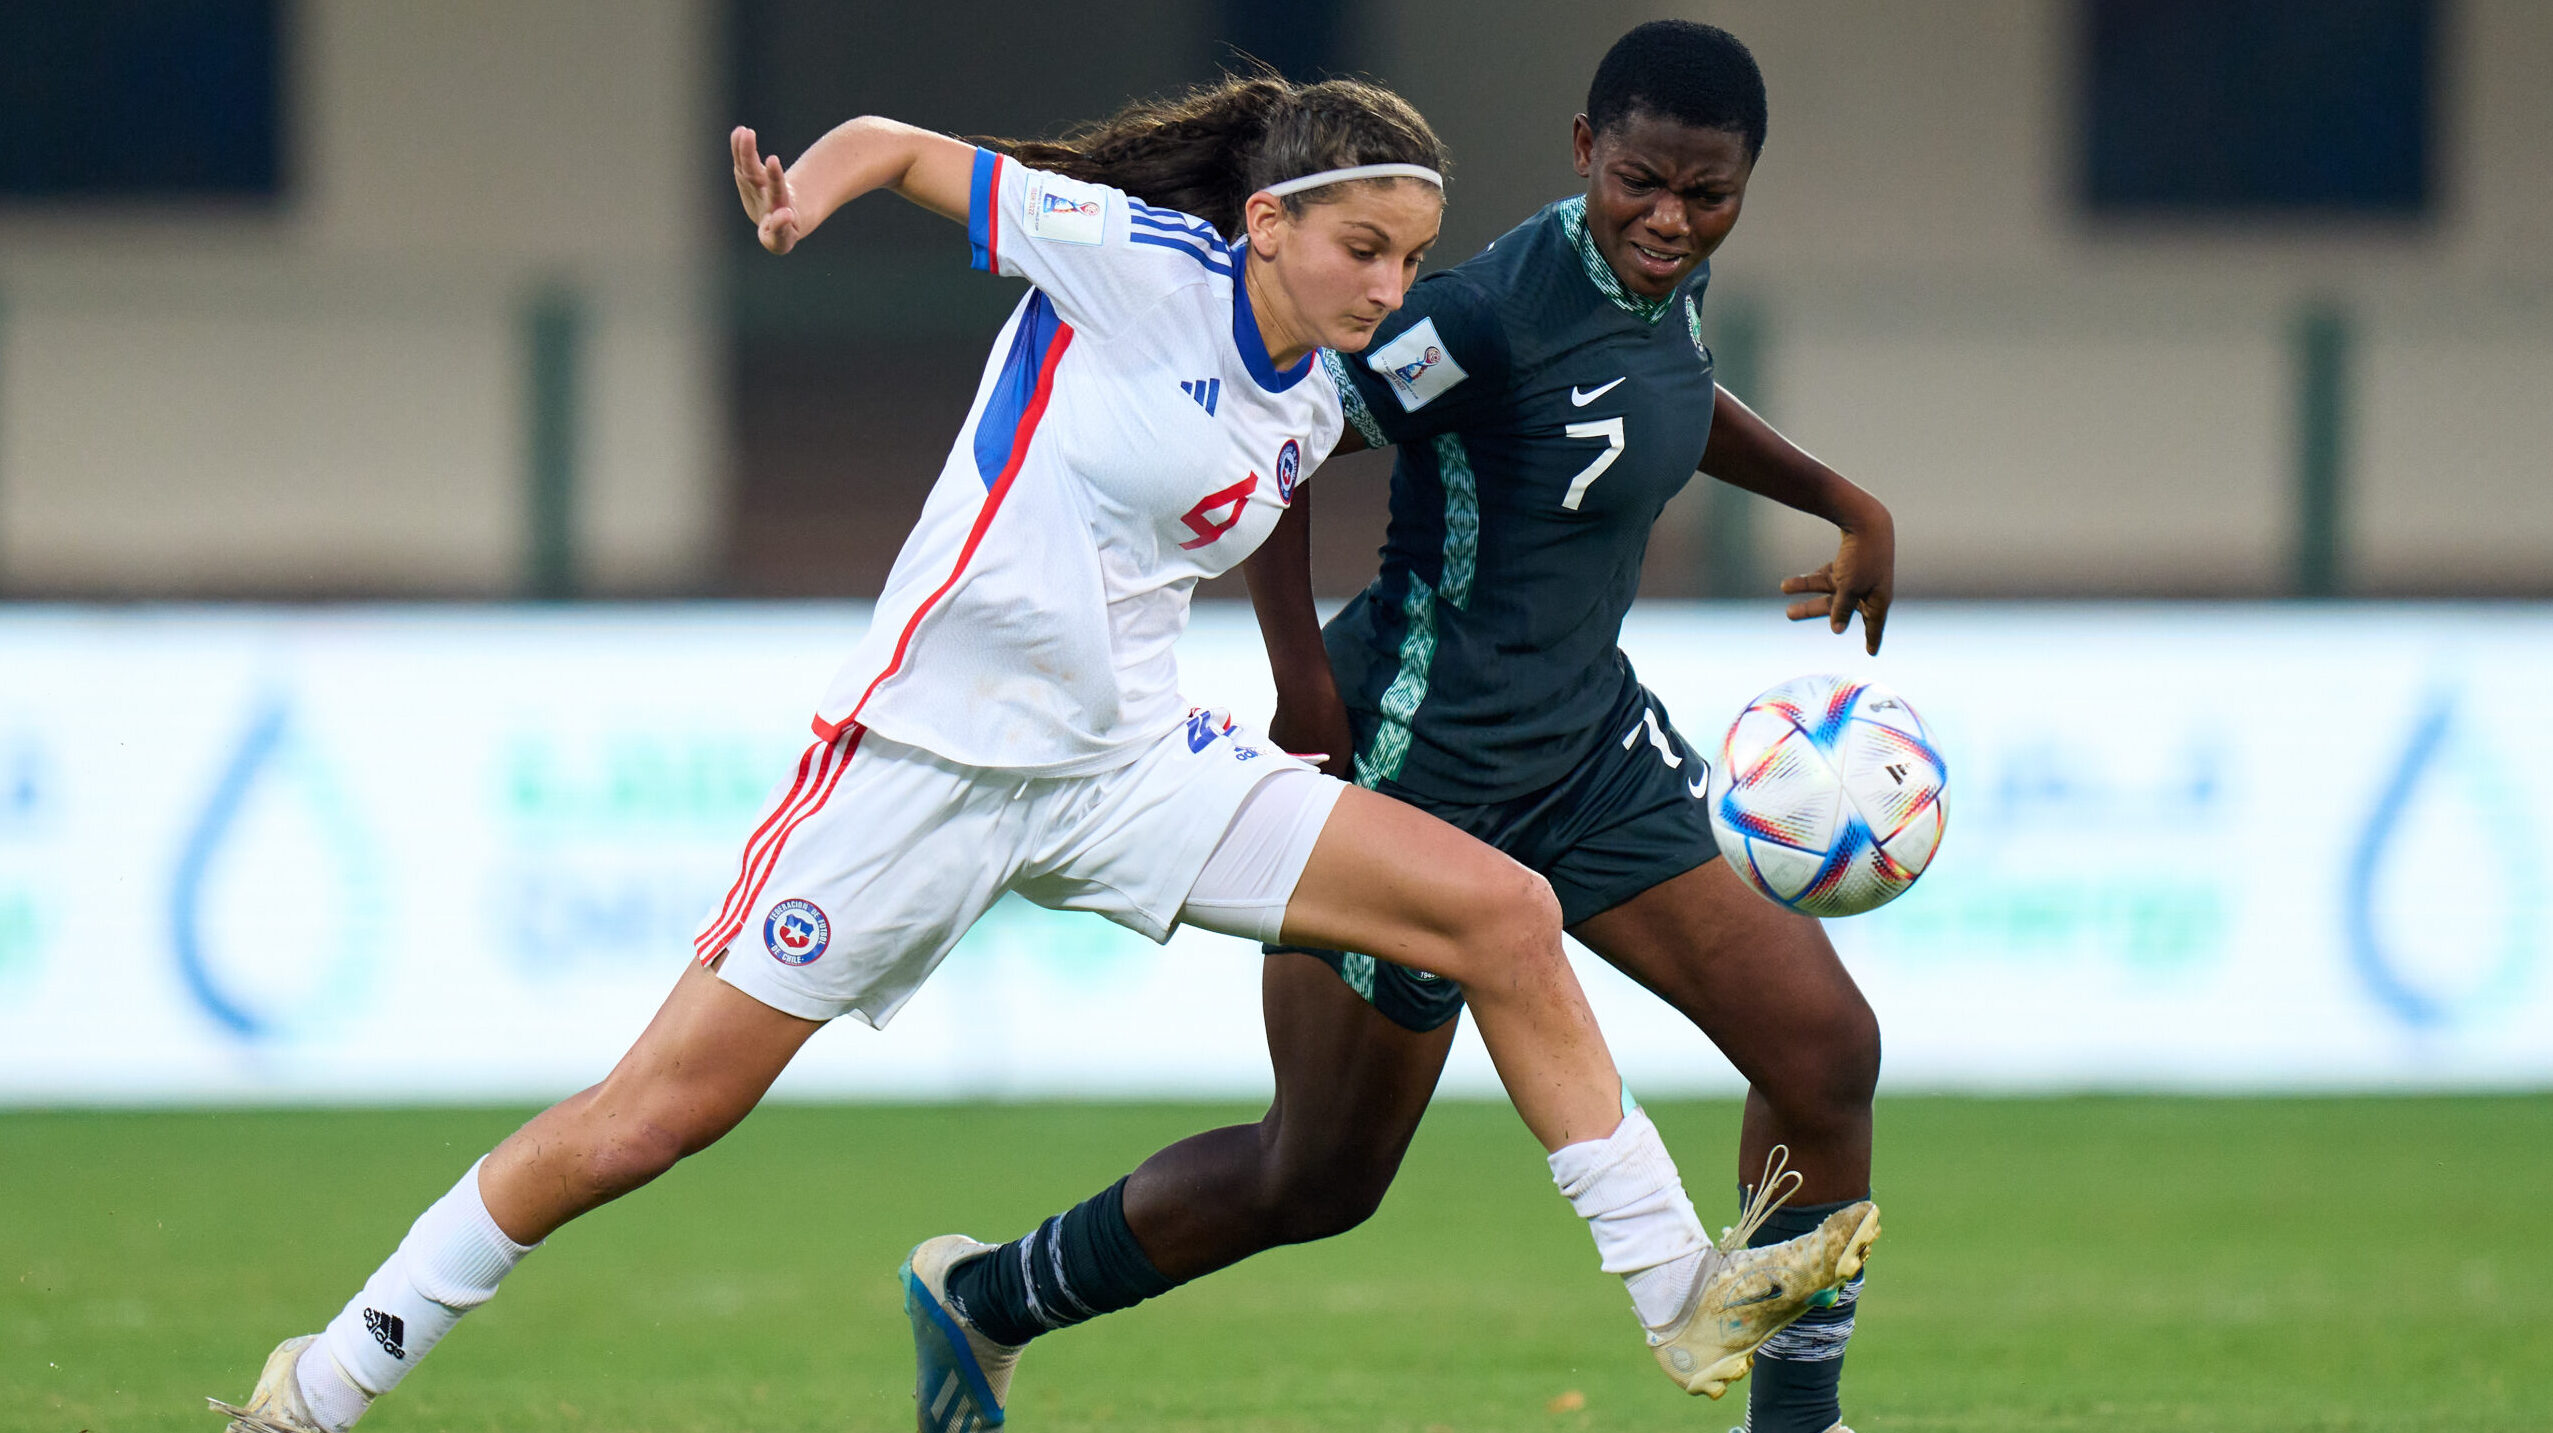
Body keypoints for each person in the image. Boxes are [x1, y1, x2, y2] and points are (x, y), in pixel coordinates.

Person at [207, 72, 1874, 1433]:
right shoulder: (1131, 257)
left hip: (1133, 769)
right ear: (1267, 222)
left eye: (1405, 257)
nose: (1389, 288)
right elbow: (907, 147)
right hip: (923, 768)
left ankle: (1675, 1289)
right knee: (649, 1120)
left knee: (1497, 910)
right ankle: (325, 1383)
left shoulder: (1323, 387)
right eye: (1363, 250)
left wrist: (1291, 692)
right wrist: (810, 195)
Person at [916, 23, 1898, 1433]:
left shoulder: (1652, 281)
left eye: (1707, 194)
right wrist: (1299, 676)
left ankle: (1795, 1424)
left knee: (1821, 1051)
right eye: (1641, 183)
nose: (1670, 219)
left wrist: (1837, 497)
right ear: (1581, 152)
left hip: (1588, 755)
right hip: (1409, 765)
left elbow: (1660, 396)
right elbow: (1285, 426)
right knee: (1315, 1177)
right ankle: (989, 1296)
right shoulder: (1484, 313)